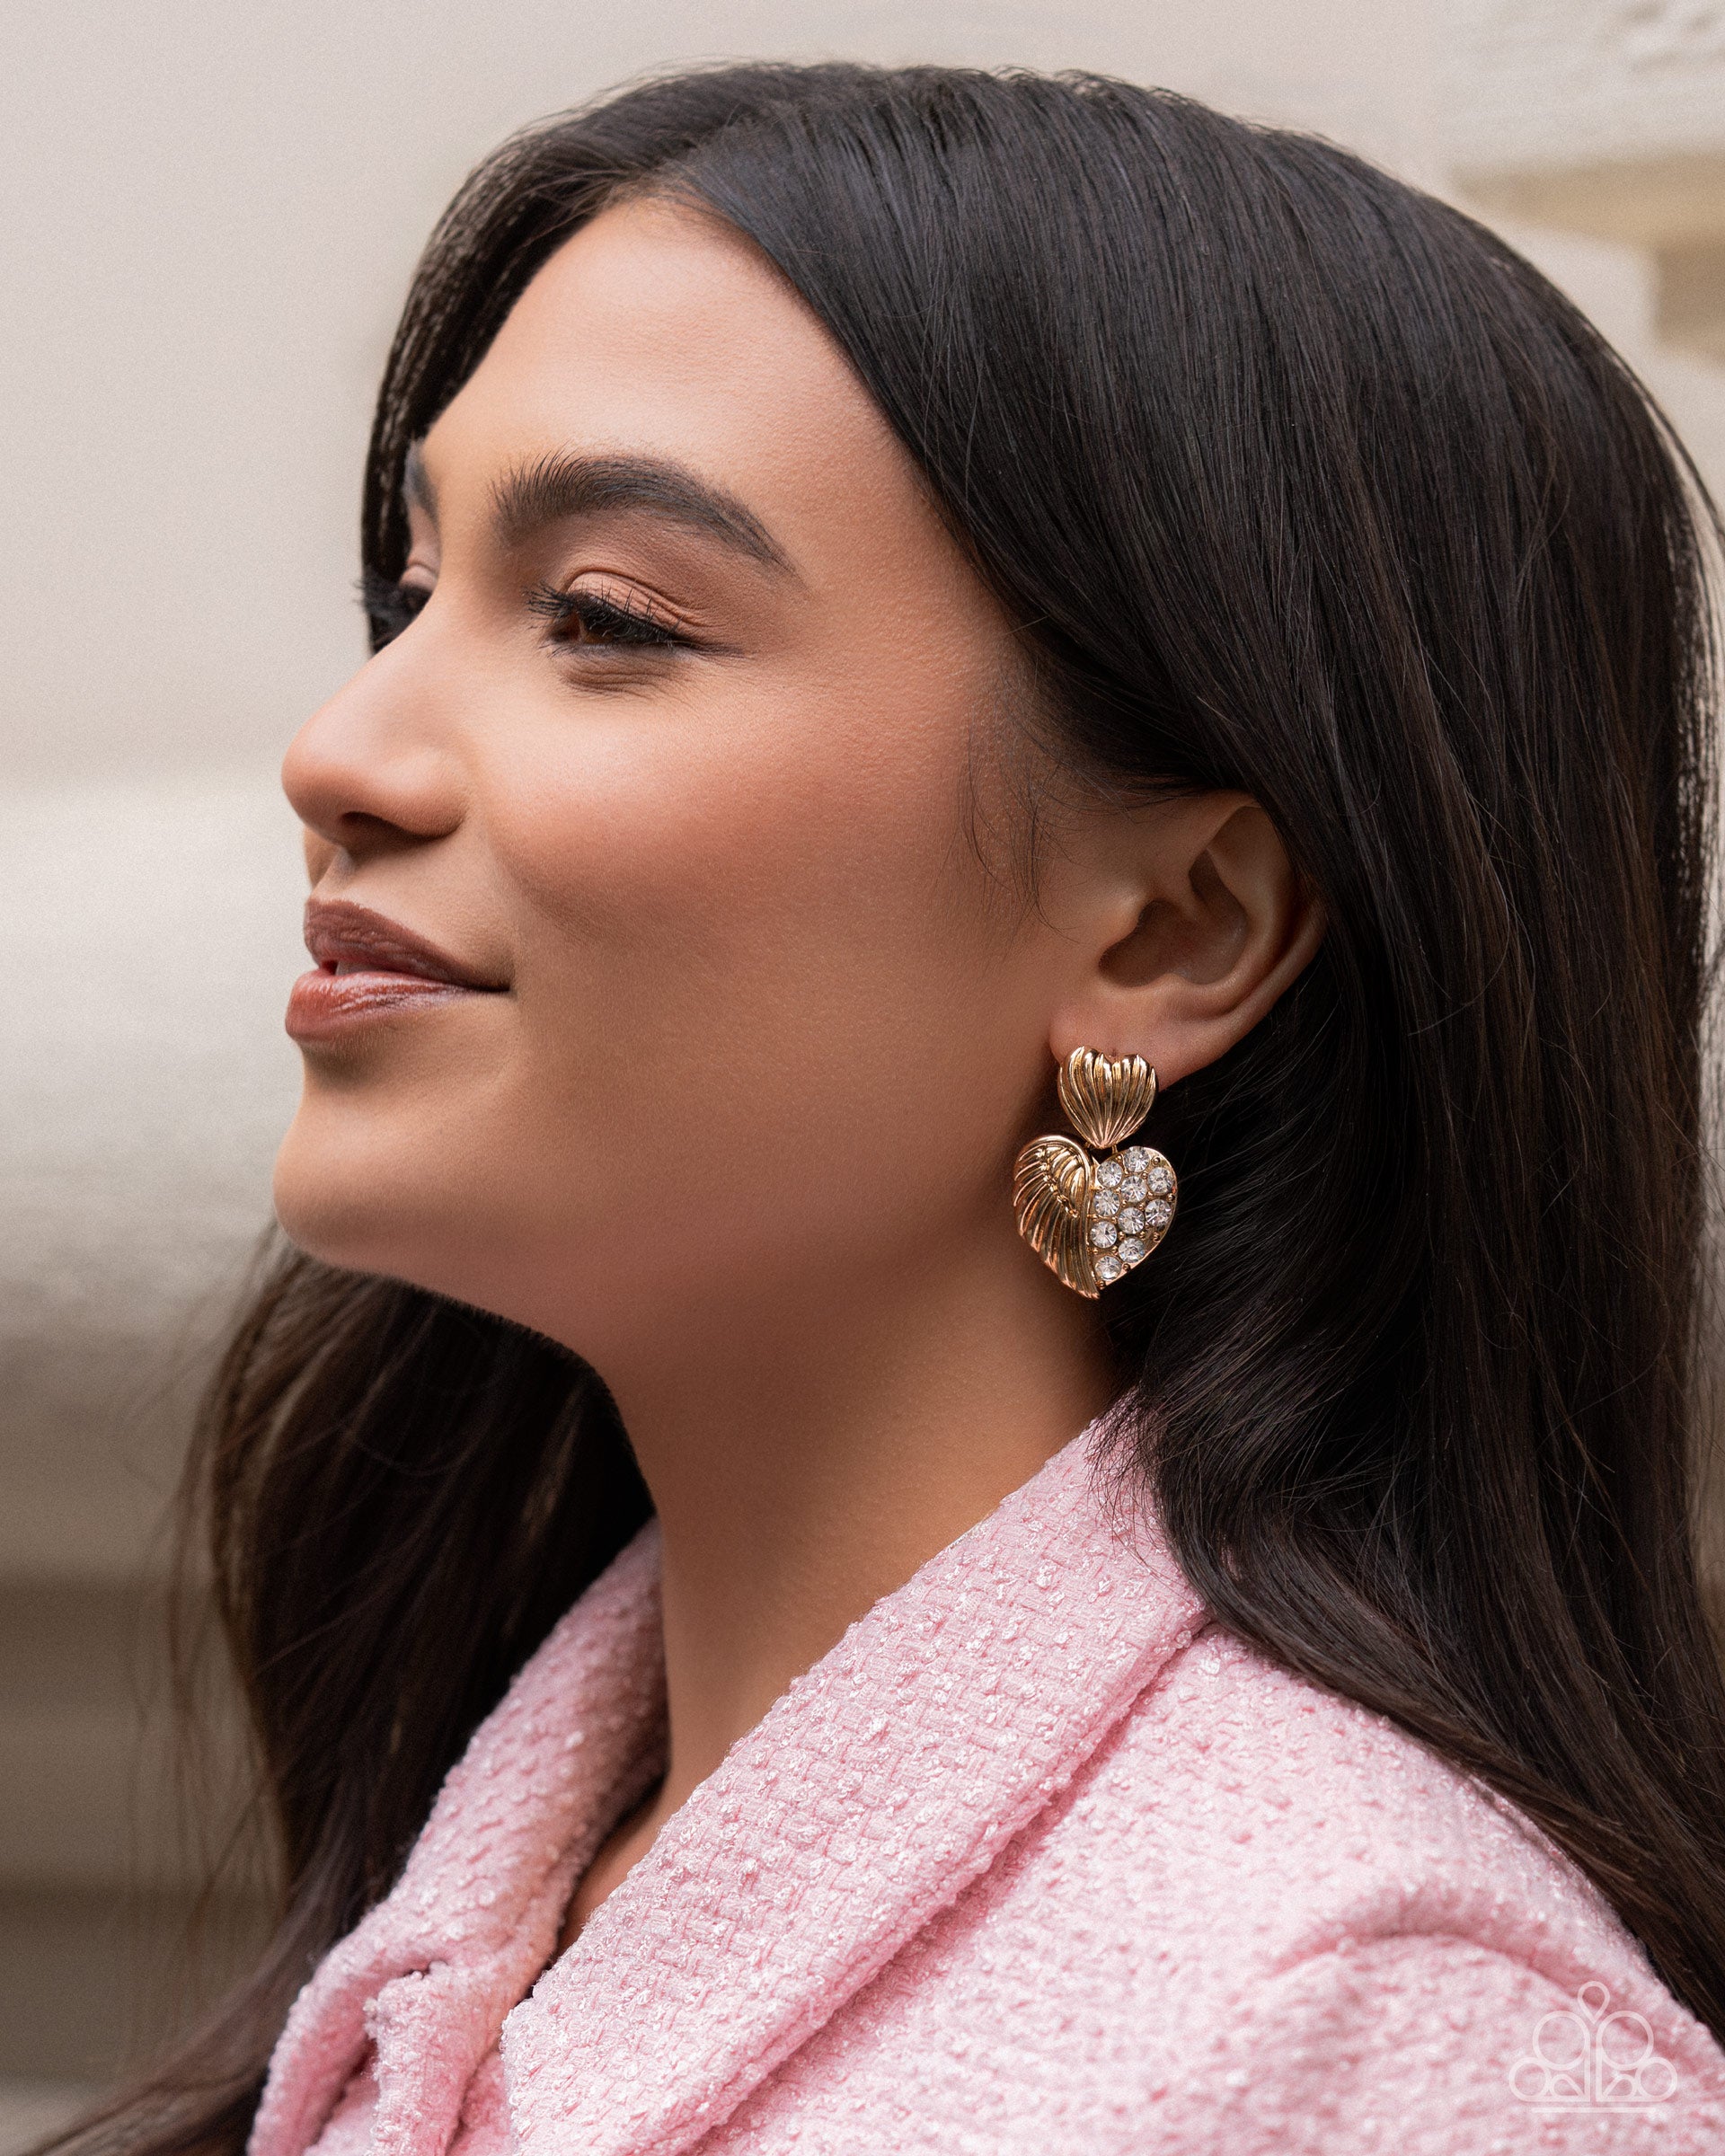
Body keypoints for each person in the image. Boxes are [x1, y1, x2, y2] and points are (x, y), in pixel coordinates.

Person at [60, 59, 1725, 2156]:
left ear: (1177, 928)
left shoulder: (1388, 2049)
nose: (345, 748)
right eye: (413, 595)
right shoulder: (479, 1928)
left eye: (606, 619)